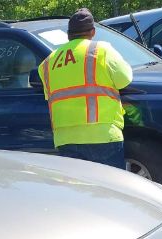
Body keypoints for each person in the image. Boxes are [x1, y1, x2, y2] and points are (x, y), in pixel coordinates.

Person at [38, 8, 133, 169]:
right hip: (102, 135)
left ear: (68, 34)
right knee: (111, 189)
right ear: (93, 32)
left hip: (65, 139)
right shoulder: (101, 50)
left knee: (80, 191)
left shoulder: (47, 63)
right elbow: (125, 79)